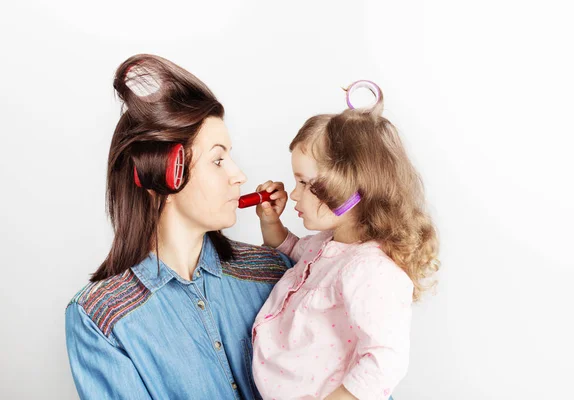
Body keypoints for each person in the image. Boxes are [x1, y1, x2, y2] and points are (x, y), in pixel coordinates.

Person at [65, 54, 291, 399]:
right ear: (164, 175)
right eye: (218, 159)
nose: (239, 175)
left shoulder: (274, 272)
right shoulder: (100, 317)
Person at [251, 81, 440, 399]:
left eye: (304, 182)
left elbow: (386, 360)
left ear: (349, 188)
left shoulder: (370, 270)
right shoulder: (329, 243)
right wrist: (270, 221)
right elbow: (292, 249)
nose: (294, 193)